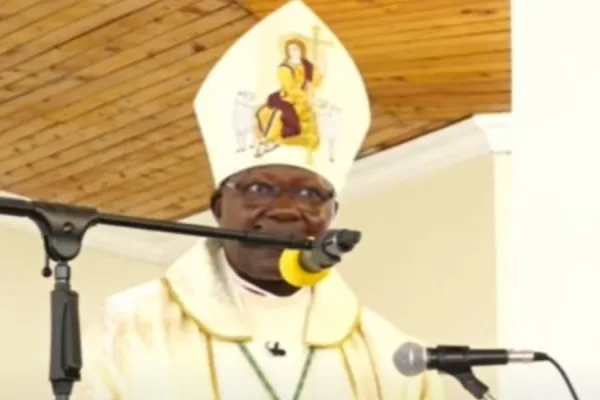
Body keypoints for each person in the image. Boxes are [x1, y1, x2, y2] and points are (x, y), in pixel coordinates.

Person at [74, 1, 445, 399]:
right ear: (219, 208)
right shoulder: (133, 327)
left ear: (332, 215)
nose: (285, 209)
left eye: (309, 193)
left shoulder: (389, 355)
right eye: (259, 189)